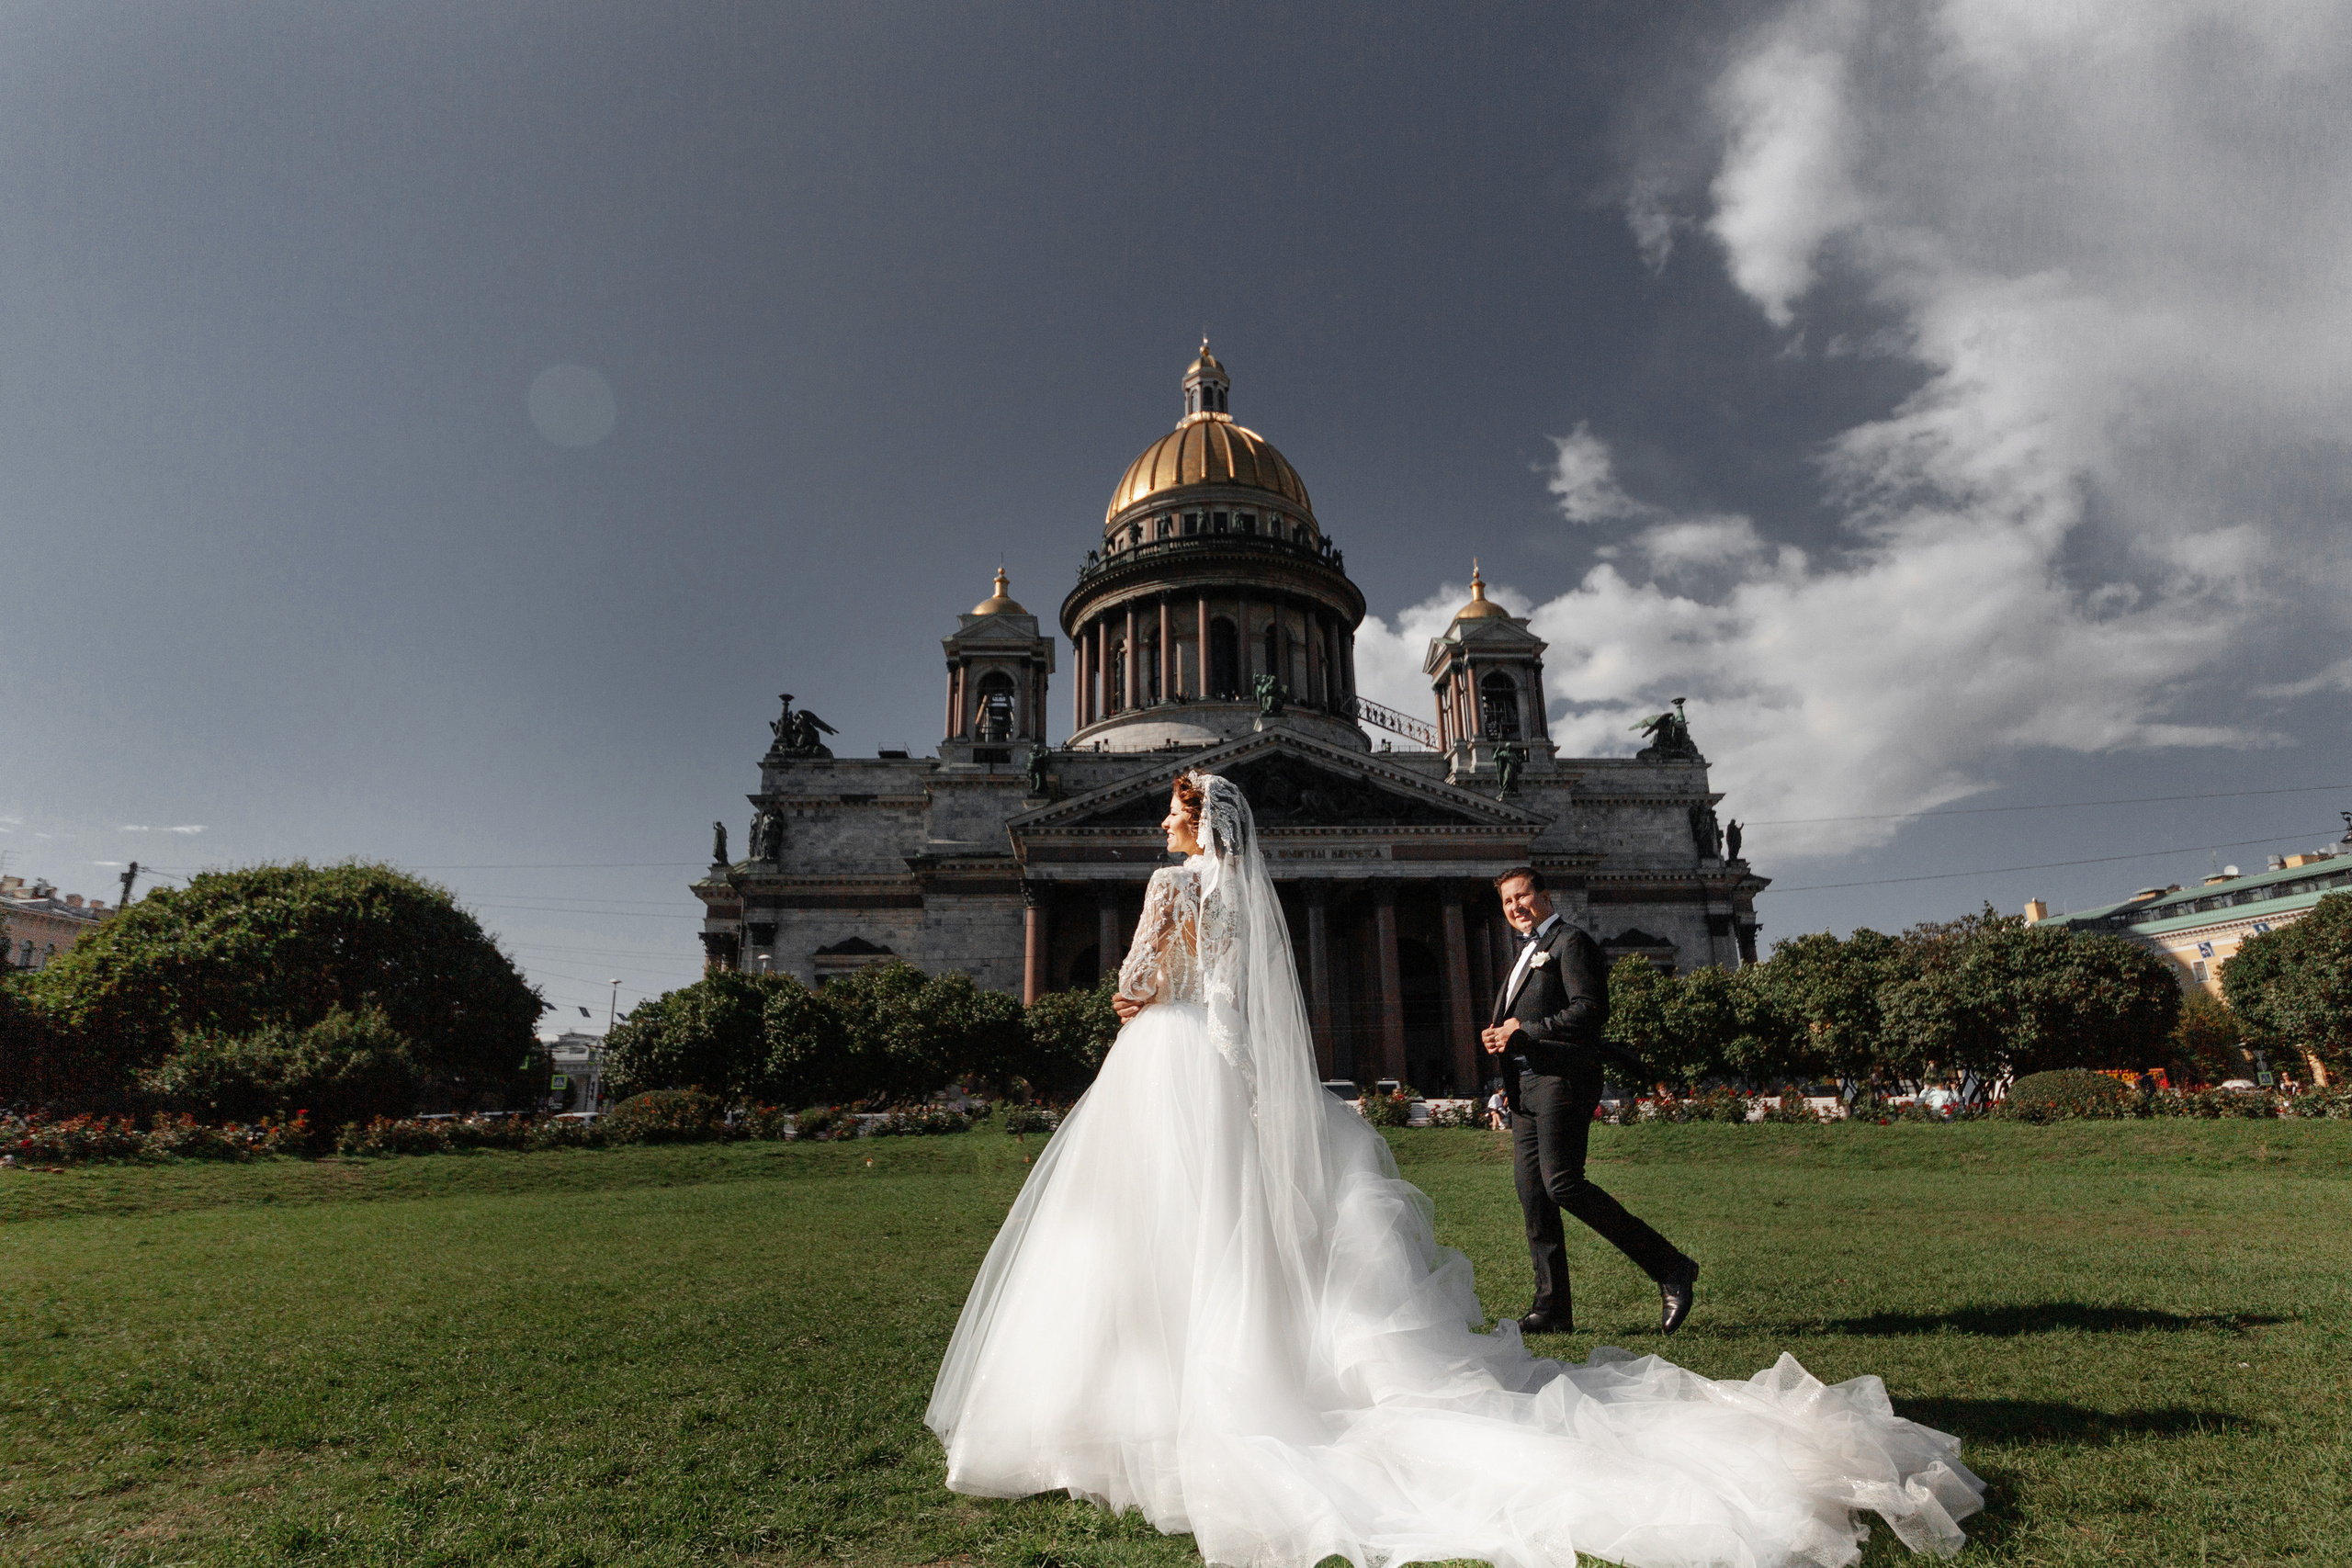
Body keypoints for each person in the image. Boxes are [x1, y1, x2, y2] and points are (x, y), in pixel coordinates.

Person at [927, 769, 1982, 1568]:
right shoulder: (1249, 890)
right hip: (1220, 1063)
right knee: (1226, 1224)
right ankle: (1240, 1372)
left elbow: (1140, 982)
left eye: (1171, 810)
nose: (1162, 823)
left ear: (1196, 818)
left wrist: (1134, 999)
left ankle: (1138, 1393)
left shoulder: (1171, 882)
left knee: (1148, 1227)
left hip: (1172, 1061)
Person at [1481, 867, 1696, 1337]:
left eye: (1522, 896)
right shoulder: (1527, 952)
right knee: (1534, 1196)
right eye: (1506, 901)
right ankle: (1551, 1308)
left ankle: (1671, 1267)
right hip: (1524, 1088)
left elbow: (1590, 1009)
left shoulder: (1569, 942)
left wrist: (1525, 1031)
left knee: (1562, 1184)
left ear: (1544, 895)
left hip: (1562, 1079)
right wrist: (1502, 1035)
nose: (1515, 907)